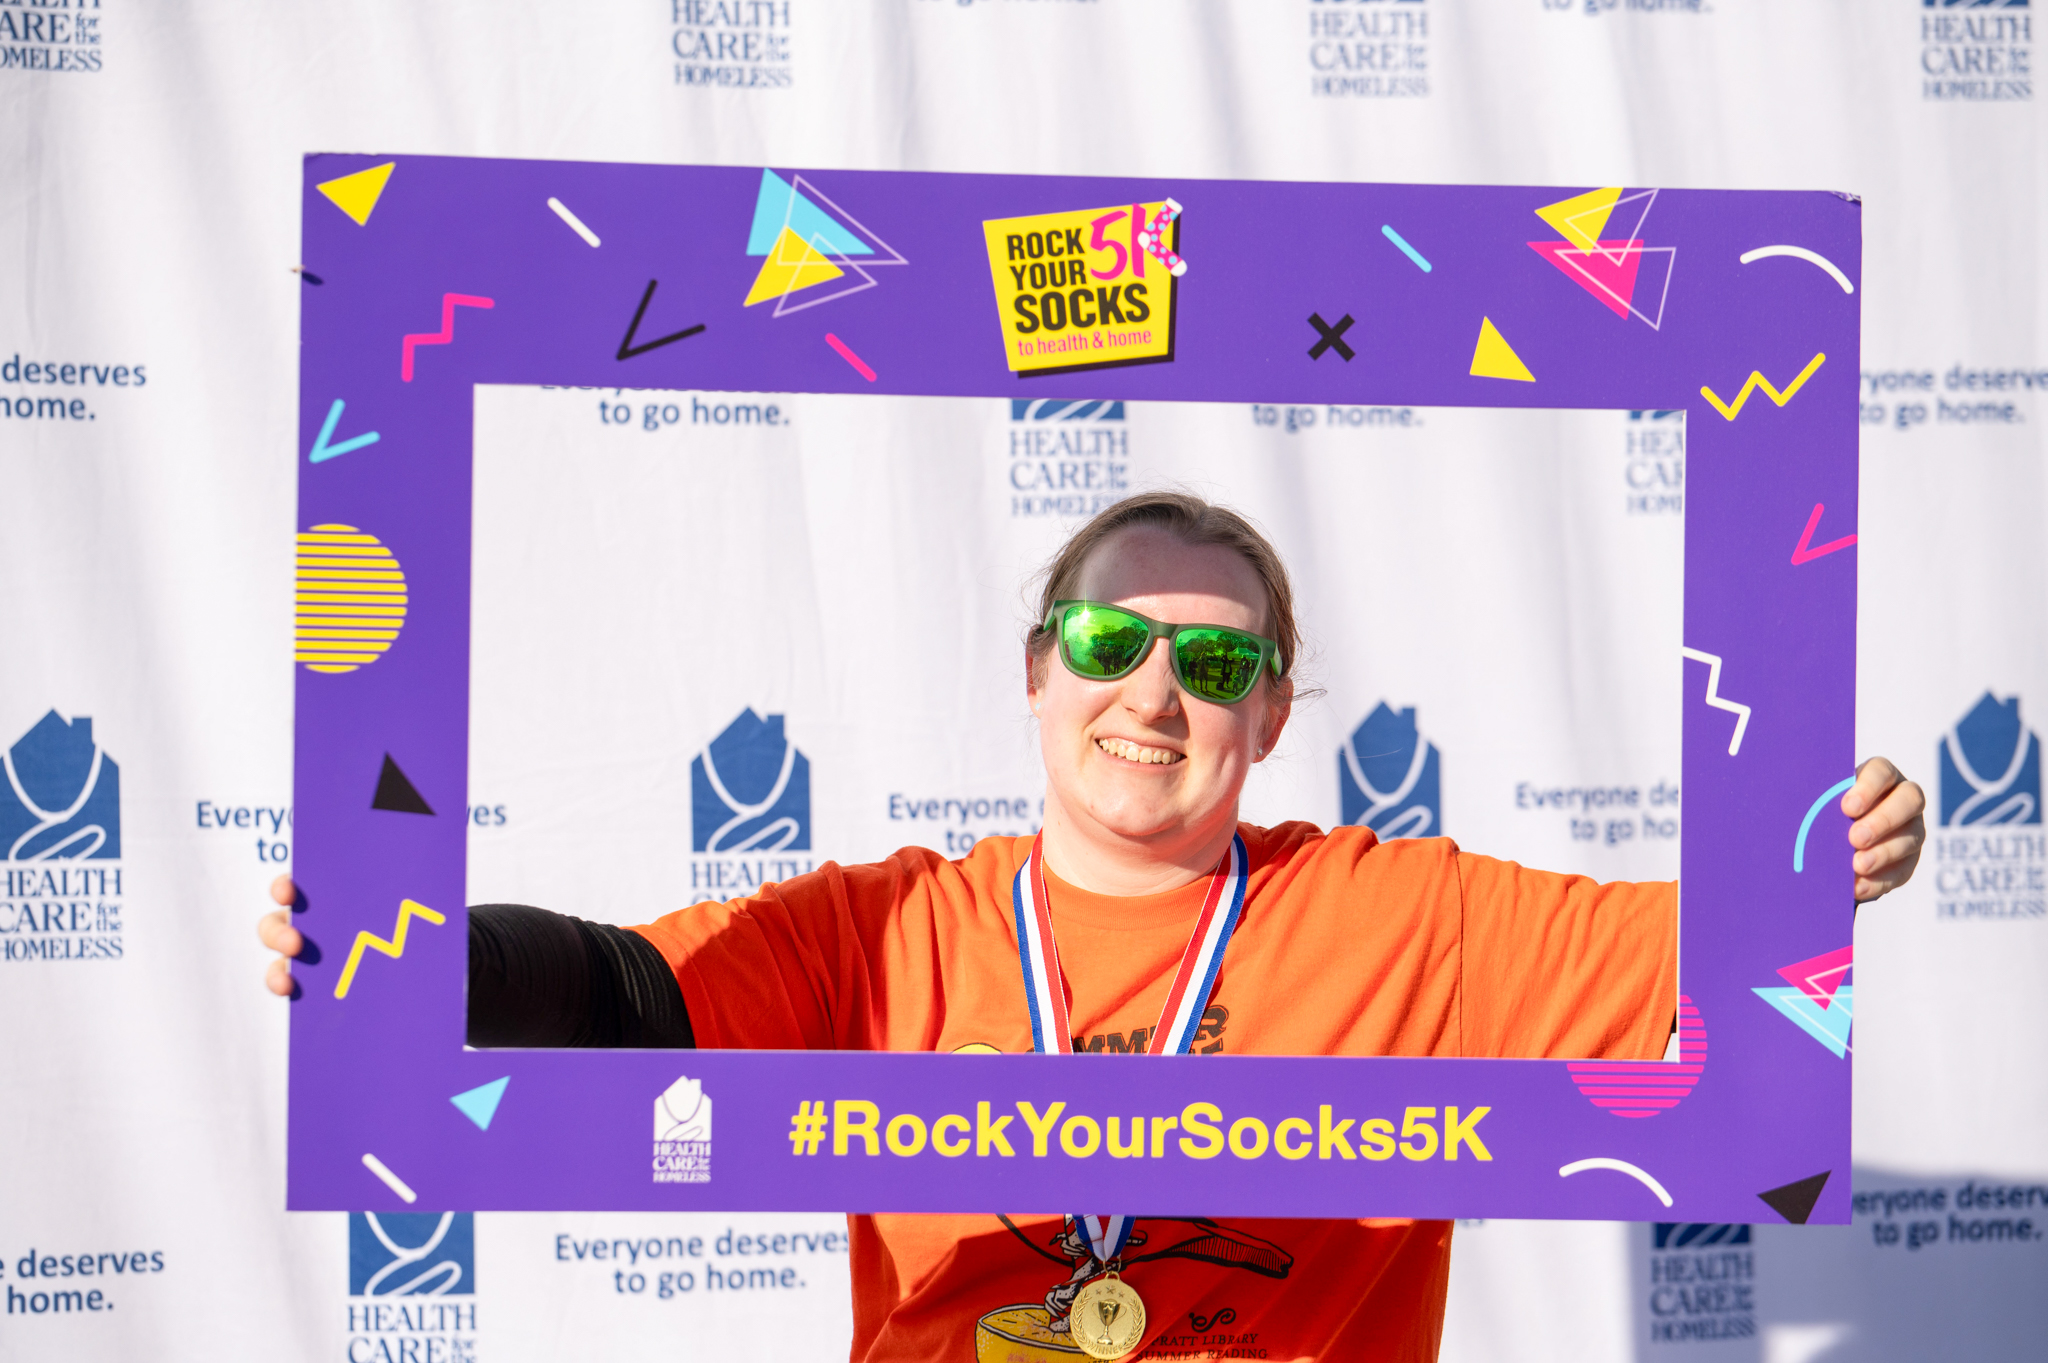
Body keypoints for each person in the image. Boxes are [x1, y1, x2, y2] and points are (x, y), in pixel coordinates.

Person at [260, 492, 1926, 1363]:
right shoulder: (892, 928)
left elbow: (1724, 955)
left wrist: (1824, 852)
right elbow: (620, 1001)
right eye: (1113, 639)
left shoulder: (1406, 915)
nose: (1155, 691)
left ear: (1269, 717)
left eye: (1214, 665)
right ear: (1038, 668)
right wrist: (405, 955)